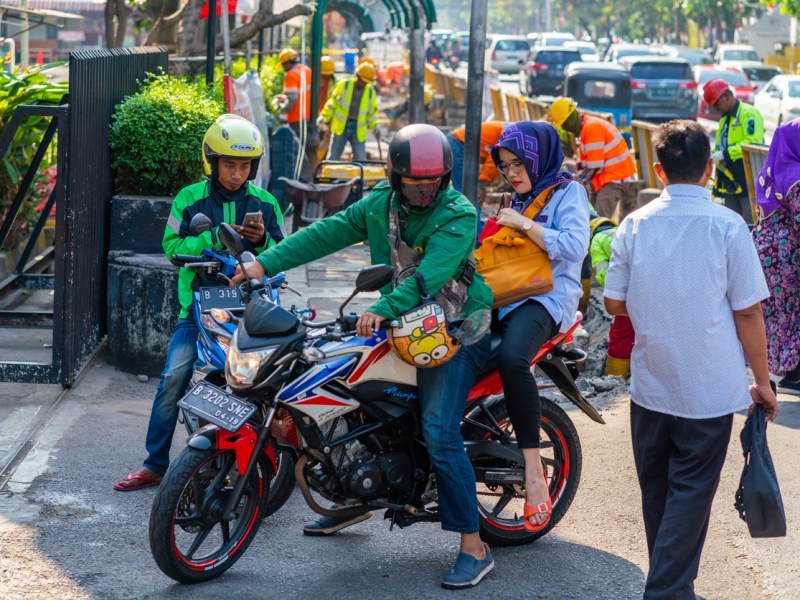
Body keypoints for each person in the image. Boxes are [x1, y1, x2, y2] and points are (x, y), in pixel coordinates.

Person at [232, 124, 497, 590]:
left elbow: (426, 280)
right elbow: (326, 233)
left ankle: (474, 547)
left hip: (453, 330)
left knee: (438, 428)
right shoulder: (380, 204)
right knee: (350, 391)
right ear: (396, 177)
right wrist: (262, 263)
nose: (426, 190)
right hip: (403, 324)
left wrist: (379, 308)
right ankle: (354, 498)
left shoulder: (457, 213)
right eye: (416, 182)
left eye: (434, 181)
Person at [603, 119, 779, 599]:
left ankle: (673, 587)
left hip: (652, 385)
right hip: (708, 389)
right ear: (709, 169)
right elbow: (747, 310)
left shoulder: (634, 224)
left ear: (658, 170)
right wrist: (762, 381)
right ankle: (665, 591)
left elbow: (614, 304)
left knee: (658, 493)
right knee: (691, 494)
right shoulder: (727, 225)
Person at [114, 115, 284, 491]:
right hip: (198, 311)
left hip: (252, 313)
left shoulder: (266, 202)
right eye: (229, 165)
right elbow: (171, 247)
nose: (237, 174)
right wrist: (210, 243)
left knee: (263, 387)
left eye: (244, 166)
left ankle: (254, 468)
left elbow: (281, 251)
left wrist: (259, 243)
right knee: (174, 378)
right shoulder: (189, 199)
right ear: (212, 162)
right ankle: (155, 463)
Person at [483, 121, 590, 531]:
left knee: (513, 359)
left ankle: (533, 472)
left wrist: (525, 224)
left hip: (546, 298)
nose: (511, 172)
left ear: (539, 158)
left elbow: (574, 247)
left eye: (518, 163)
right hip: (507, 297)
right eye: (506, 165)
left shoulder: (568, 192)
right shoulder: (519, 197)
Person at [752, 119, 800, 395]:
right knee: (793, 315)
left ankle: (791, 372)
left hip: (768, 253)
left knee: (783, 317)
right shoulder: (796, 177)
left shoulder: (773, 169)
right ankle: (795, 374)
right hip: (788, 257)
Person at [548, 97, 637, 221]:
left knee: (599, 220)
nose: (565, 128)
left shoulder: (591, 128)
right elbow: (589, 162)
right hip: (607, 177)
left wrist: (574, 181)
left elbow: (594, 167)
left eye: (564, 124)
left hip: (614, 178)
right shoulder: (587, 127)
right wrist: (573, 167)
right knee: (590, 216)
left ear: (571, 118)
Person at [704, 77, 765, 224]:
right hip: (730, 178)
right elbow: (722, 144)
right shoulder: (725, 118)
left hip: (746, 175)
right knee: (731, 221)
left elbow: (753, 144)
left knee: (750, 220)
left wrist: (723, 154)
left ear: (726, 96)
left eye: (716, 104)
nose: (715, 108)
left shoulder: (748, 113)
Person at [588, 216, 635, 377]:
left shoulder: (597, 240)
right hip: (648, 287)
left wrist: (614, 294)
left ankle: (614, 378)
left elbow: (603, 273)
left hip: (630, 291)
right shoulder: (623, 231)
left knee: (620, 336)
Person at [318, 61, 380, 162]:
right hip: (341, 126)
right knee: (333, 157)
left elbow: (371, 114)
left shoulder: (370, 92)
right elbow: (332, 103)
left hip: (358, 129)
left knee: (360, 159)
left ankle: (359, 177)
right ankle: (331, 176)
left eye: (366, 82)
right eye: (362, 80)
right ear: (357, 76)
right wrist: (324, 116)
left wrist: (375, 126)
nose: (363, 83)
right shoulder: (344, 85)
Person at [446, 121, 509, 198]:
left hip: (459, 143)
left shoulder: (512, 131)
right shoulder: (511, 134)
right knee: (468, 193)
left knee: (470, 192)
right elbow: (495, 159)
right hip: (458, 144)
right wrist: (482, 182)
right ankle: (472, 209)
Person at [275, 48, 312, 142]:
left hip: (297, 117)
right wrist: (285, 98)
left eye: (283, 66)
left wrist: (281, 107)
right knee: (307, 145)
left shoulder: (291, 75)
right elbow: (302, 93)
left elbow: (292, 98)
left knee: (298, 146)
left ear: (287, 63)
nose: (284, 69)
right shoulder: (307, 70)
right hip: (310, 115)